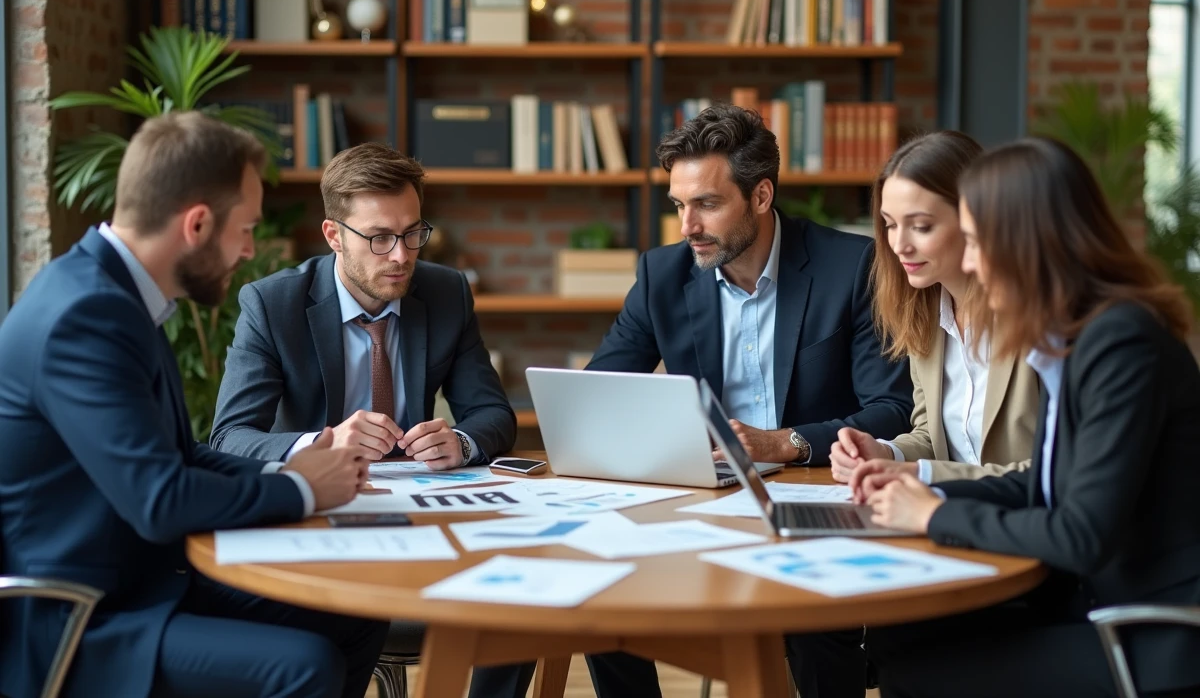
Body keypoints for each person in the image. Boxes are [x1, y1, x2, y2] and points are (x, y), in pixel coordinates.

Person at [481, 103, 914, 698]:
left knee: (817, 626)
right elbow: (600, 394)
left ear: (761, 197)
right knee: (604, 592)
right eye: (679, 205)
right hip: (700, 494)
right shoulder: (664, 275)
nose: (687, 226)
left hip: (810, 489)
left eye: (706, 204)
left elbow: (890, 410)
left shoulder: (851, 267)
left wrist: (781, 443)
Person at [0, 112, 388, 698]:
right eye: (247, 230)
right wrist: (303, 489)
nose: (251, 250)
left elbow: (183, 457)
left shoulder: (120, 294)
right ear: (198, 224)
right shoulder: (86, 316)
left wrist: (291, 470)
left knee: (355, 615)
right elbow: (161, 499)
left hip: (145, 583)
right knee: (302, 665)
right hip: (81, 619)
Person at [861, 137, 1200, 698]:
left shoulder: (1121, 344)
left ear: (1028, 240)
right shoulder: (1074, 339)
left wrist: (931, 518)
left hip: (1151, 631)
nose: (968, 262)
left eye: (975, 241)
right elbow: (1041, 483)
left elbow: (1079, 533)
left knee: (913, 672)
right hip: (1092, 599)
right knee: (896, 640)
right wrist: (922, 491)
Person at [210, 142, 516, 469]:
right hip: (317, 488)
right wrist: (322, 443)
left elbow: (493, 414)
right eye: (379, 238)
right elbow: (229, 437)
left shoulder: (446, 292)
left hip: (420, 489)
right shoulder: (274, 305)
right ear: (334, 236)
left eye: (412, 233)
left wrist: (461, 442)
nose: (401, 255)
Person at [828, 131, 1039, 492]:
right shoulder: (924, 314)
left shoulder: (1037, 318)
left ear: (977, 218)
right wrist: (884, 452)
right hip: (951, 519)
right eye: (890, 225)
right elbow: (932, 437)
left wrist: (922, 476)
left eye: (921, 226)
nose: (899, 245)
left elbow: (1053, 469)